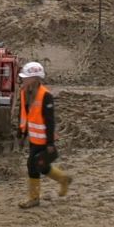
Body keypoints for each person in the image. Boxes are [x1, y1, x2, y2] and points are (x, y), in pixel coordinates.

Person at [16, 61, 72, 208]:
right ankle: (63, 178)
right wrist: (21, 133)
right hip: (33, 138)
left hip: (44, 140)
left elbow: (50, 121)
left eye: (25, 77)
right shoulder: (24, 92)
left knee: (32, 164)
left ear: (34, 79)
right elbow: (23, 114)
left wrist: (50, 143)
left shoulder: (45, 96)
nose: (22, 80)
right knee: (41, 165)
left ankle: (34, 198)